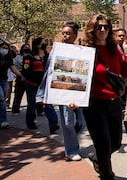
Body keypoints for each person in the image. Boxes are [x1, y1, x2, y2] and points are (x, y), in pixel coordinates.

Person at [74, 13, 127, 179]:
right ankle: (107, 174)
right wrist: (72, 98)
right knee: (104, 146)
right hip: (94, 106)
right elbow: (77, 78)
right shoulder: (85, 51)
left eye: (106, 27)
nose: (103, 29)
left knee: (116, 143)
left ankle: (96, 158)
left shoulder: (115, 50)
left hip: (114, 104)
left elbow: (125, 74)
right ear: (92, 29)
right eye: (99, 27)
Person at [36, 22, 86, 161]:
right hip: (63, 92)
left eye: (68, 33)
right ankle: (71, 151)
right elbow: (48, 72)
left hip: (79, 91)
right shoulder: (55, 51)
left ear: (75, 35)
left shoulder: (82, 51)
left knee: (81, 122)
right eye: (63, 33)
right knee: (67, 122)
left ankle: (70, 138)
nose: (64, 35)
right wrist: (41, 94)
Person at [22, 37, 59, 131]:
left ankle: (53, 124)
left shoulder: (48, 56)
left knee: (48, 104)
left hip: (45, 85)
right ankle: (30, 122)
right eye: (43, 43)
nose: (45, 44)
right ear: (37, 45)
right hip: (32, 84)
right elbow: (25, 71)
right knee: (32, 104)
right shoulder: (29, 57)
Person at [0, 42, 24, 128]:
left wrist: (20, 75)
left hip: (4, 80)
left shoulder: (8, 59)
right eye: (3, 48)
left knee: (4, 98)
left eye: (6, 48)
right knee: (2, 99)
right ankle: (3, 121)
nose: (4, 50)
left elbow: (13, 68)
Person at [11, 44, 31, 115]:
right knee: (18, 94)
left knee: (31, 95)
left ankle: (33, 110)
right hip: (20, 75)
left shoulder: (31, 56)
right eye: (25, 48)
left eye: (28, 48)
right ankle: (15, 109)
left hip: (29, 76)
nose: (27, 49)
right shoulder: (18, 57)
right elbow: (15, 66)